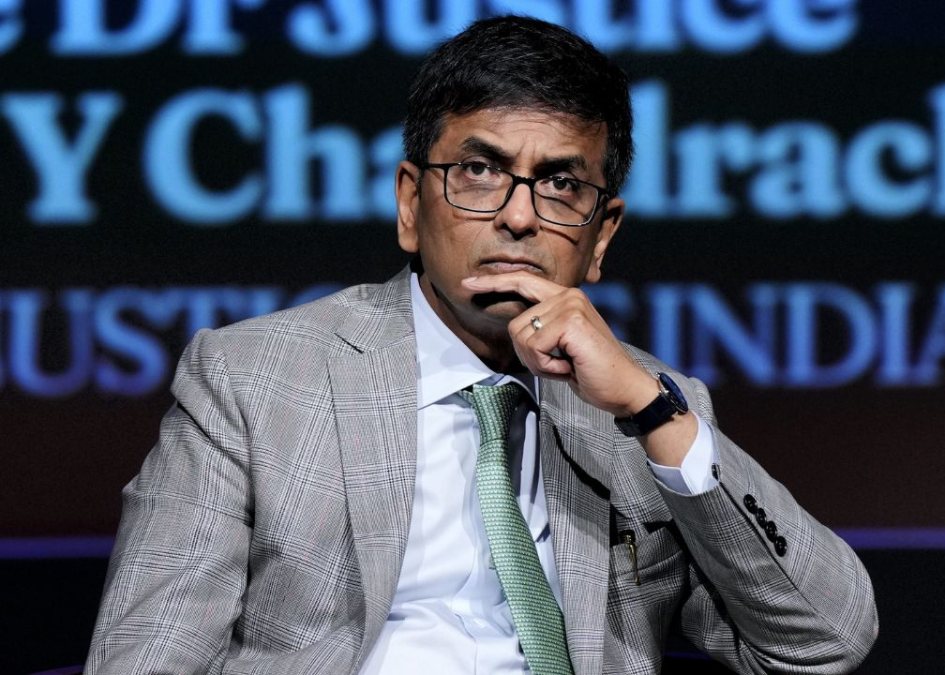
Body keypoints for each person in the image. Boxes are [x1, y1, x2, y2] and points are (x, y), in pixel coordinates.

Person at [85, 16, 877, 675]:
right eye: (478, 170)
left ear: (601, 235)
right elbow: (145, 657)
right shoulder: (252, 381)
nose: (519, 216)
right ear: (410, 203)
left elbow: (824, 643)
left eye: (561, 184)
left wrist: (649, 410)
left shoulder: (648, 409)